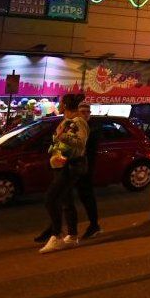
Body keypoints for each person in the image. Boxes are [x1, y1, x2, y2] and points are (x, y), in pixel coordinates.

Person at [34, 103, 102, 244]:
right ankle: (60, 231)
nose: (84, 114)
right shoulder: (73, 124)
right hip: (69, 167)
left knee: (83, 198)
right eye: (81, 111)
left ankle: (91, 226)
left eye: (86, 111)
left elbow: (86, 149)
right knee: (64, 199)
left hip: (81, 169)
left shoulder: (89, 127)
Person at [39, 93, 90, 253]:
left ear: (66, 106)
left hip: (71, 166)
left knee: (50, 199)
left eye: (60, 102)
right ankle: (72, 235)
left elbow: (80, 143)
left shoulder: (78, 121)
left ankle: (56, 236)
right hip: (61, 165)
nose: (58, 105)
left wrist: (62, 136)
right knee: (66, 201)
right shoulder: (67, 121)